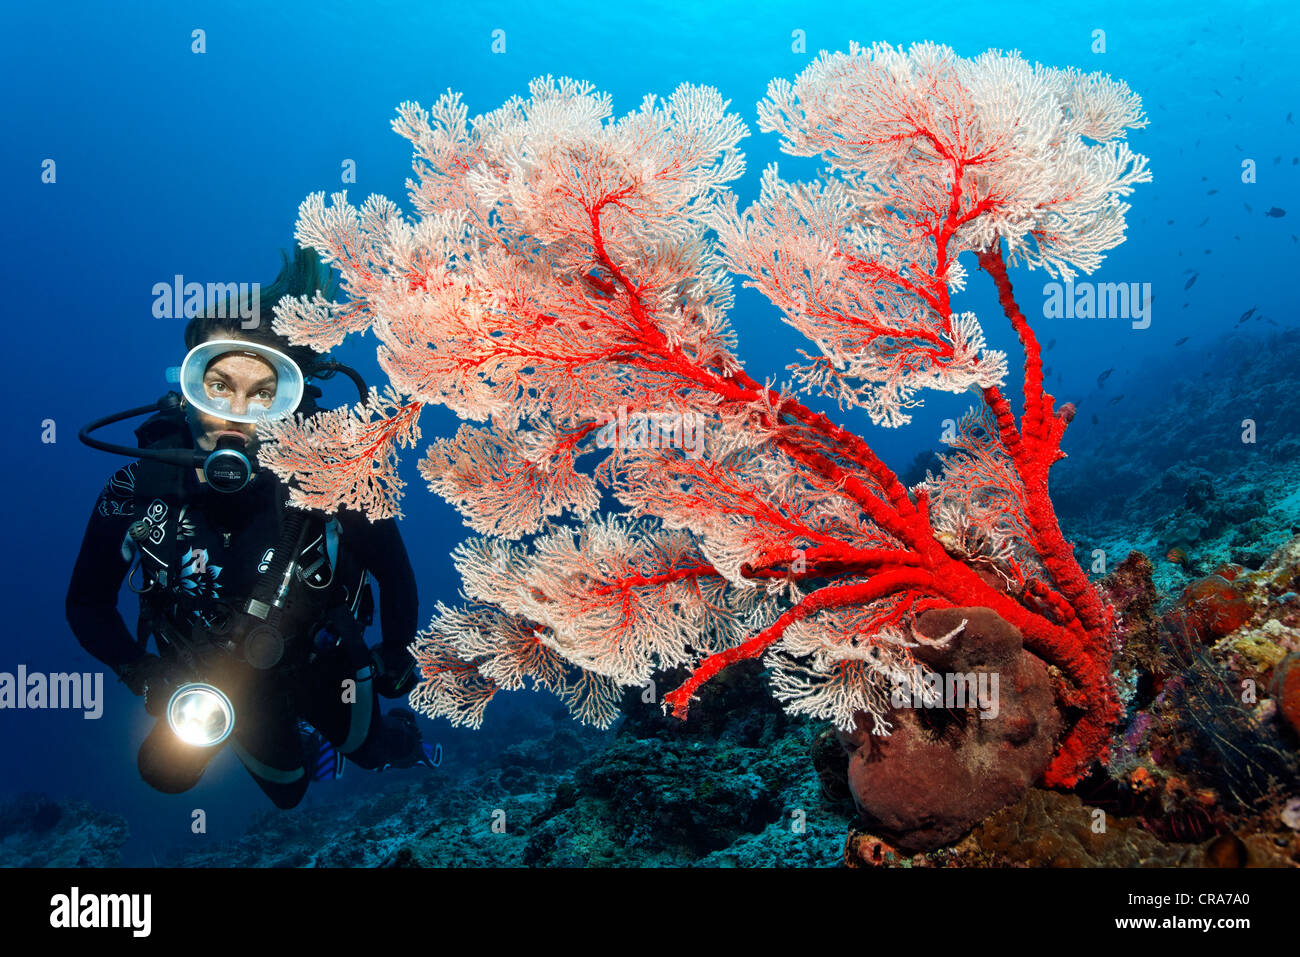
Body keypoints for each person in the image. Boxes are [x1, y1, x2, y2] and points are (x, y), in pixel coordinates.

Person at [66, 247, 438, 809]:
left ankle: (404, 745)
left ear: (291, 403)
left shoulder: (338, 479)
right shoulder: (136, 490)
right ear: (186, 390)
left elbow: (396, 575)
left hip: (325, 662)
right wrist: (142, 673)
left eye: (264, 393)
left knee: (371, 748)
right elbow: (87, 604)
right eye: (218, 386)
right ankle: (304, 745)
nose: (237, 414)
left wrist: (393, 652)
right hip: (216, 679)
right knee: (278, 791)